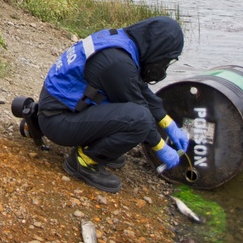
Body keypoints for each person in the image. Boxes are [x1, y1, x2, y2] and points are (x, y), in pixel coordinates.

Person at [35, 17, 190, 193]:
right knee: (139, 120)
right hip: (58, 120)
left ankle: (100, 148)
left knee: (137, 116)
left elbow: (138, 87)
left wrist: (167, 123)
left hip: (56, 107)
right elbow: (139, 110)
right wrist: (160, 148)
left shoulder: (120, 40)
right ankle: (83, 162)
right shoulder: (117, 62)